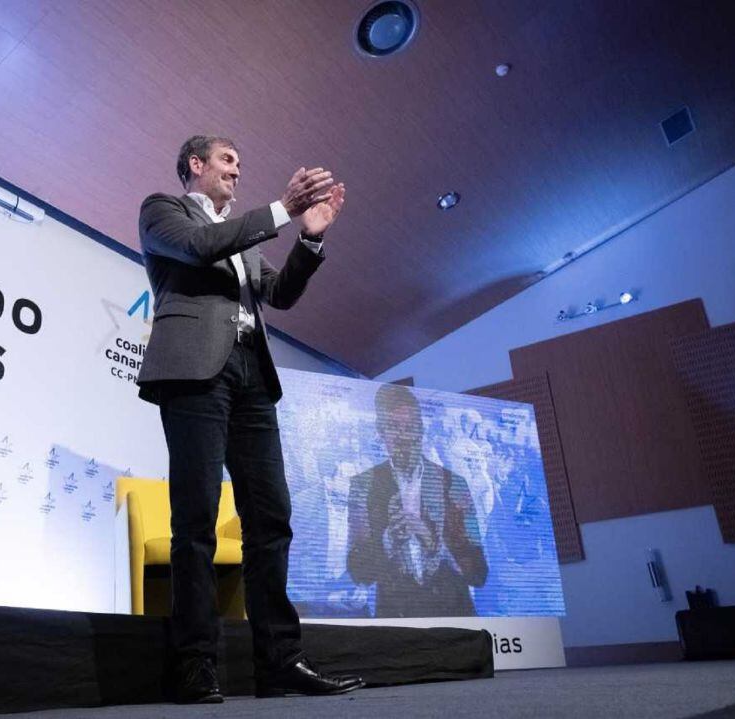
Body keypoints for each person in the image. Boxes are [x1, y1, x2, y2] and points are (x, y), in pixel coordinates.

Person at [136, 135, 362, 703]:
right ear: (196, 164)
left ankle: (281, 661)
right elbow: (198, 245)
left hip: (252, 376)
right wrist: (284, 209)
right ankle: (194, 664)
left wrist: (309, 240)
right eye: (228, 161)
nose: (237, 172)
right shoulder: (163, 210)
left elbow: (279, 294)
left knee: (272, 518)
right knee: (196, 520)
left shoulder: (244, 241)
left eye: (240, 163)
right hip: (195, 374)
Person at [347, 384, 488, 618]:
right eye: (393, 427)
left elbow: (478, 573)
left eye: (410, 427)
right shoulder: (363, 486)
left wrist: (434, 542)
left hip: (454, 622)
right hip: (396, 630)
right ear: (380, 432)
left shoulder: (454, 483)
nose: (403, 437)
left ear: (421, 431)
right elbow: (358, 572)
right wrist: (388, 541)